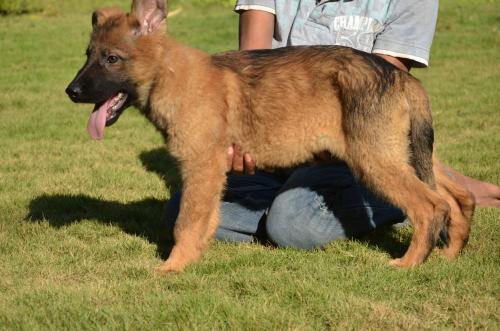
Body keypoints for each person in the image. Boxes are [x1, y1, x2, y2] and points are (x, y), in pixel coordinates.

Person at [164, 0, 500, 249]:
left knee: (292, 224)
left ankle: (402, 197)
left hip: (348, 143)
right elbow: (250, 68)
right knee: (183, 210)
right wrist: (238, 139)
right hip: (273, 134)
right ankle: (433, 183)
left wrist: (317, 133)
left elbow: (378, 87)